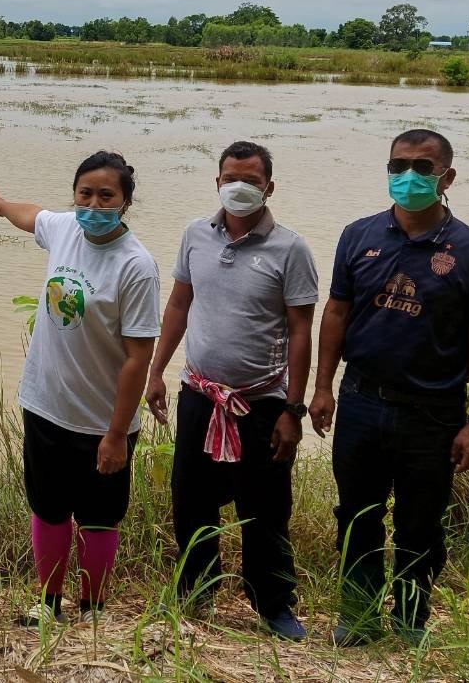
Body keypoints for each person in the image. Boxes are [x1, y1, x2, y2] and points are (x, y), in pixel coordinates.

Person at [309, 128, 469, 646]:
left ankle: (411, 621)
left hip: (434, 412)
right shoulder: (359, 234)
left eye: (423, 167)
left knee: (421, 525)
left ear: (447, 177)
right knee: (357, 514)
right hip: (361, 400)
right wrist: (322, 387)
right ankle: (359, 614)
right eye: (399, 166)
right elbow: (336, 312)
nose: (409, 176)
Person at [145, 141, 317, 640]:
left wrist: (293, 409)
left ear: (269, 187)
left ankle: (274, 605)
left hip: (261, 403)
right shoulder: (195, 235)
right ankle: (196, 593)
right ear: (217, 182)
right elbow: (179, 304)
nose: (239, 187)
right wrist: (157, 371)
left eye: (251, 180)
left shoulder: (291, 248)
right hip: (199, 395)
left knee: (264, 509)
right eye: (230, 178)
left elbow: (302, 331)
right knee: (191, 500)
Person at [0, 151, 161, 625]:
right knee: (48, 510)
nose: (94, 203)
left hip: (101, 420)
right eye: (85, 193)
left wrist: (117, 434)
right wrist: (0, 205)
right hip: (45, 406)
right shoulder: (65, 228)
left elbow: (137, 358)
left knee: (100, 518)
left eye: (107, 195)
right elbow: (31, 217)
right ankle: (47, 605)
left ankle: (93, 609)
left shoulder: (136, 266)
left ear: (125, 201)